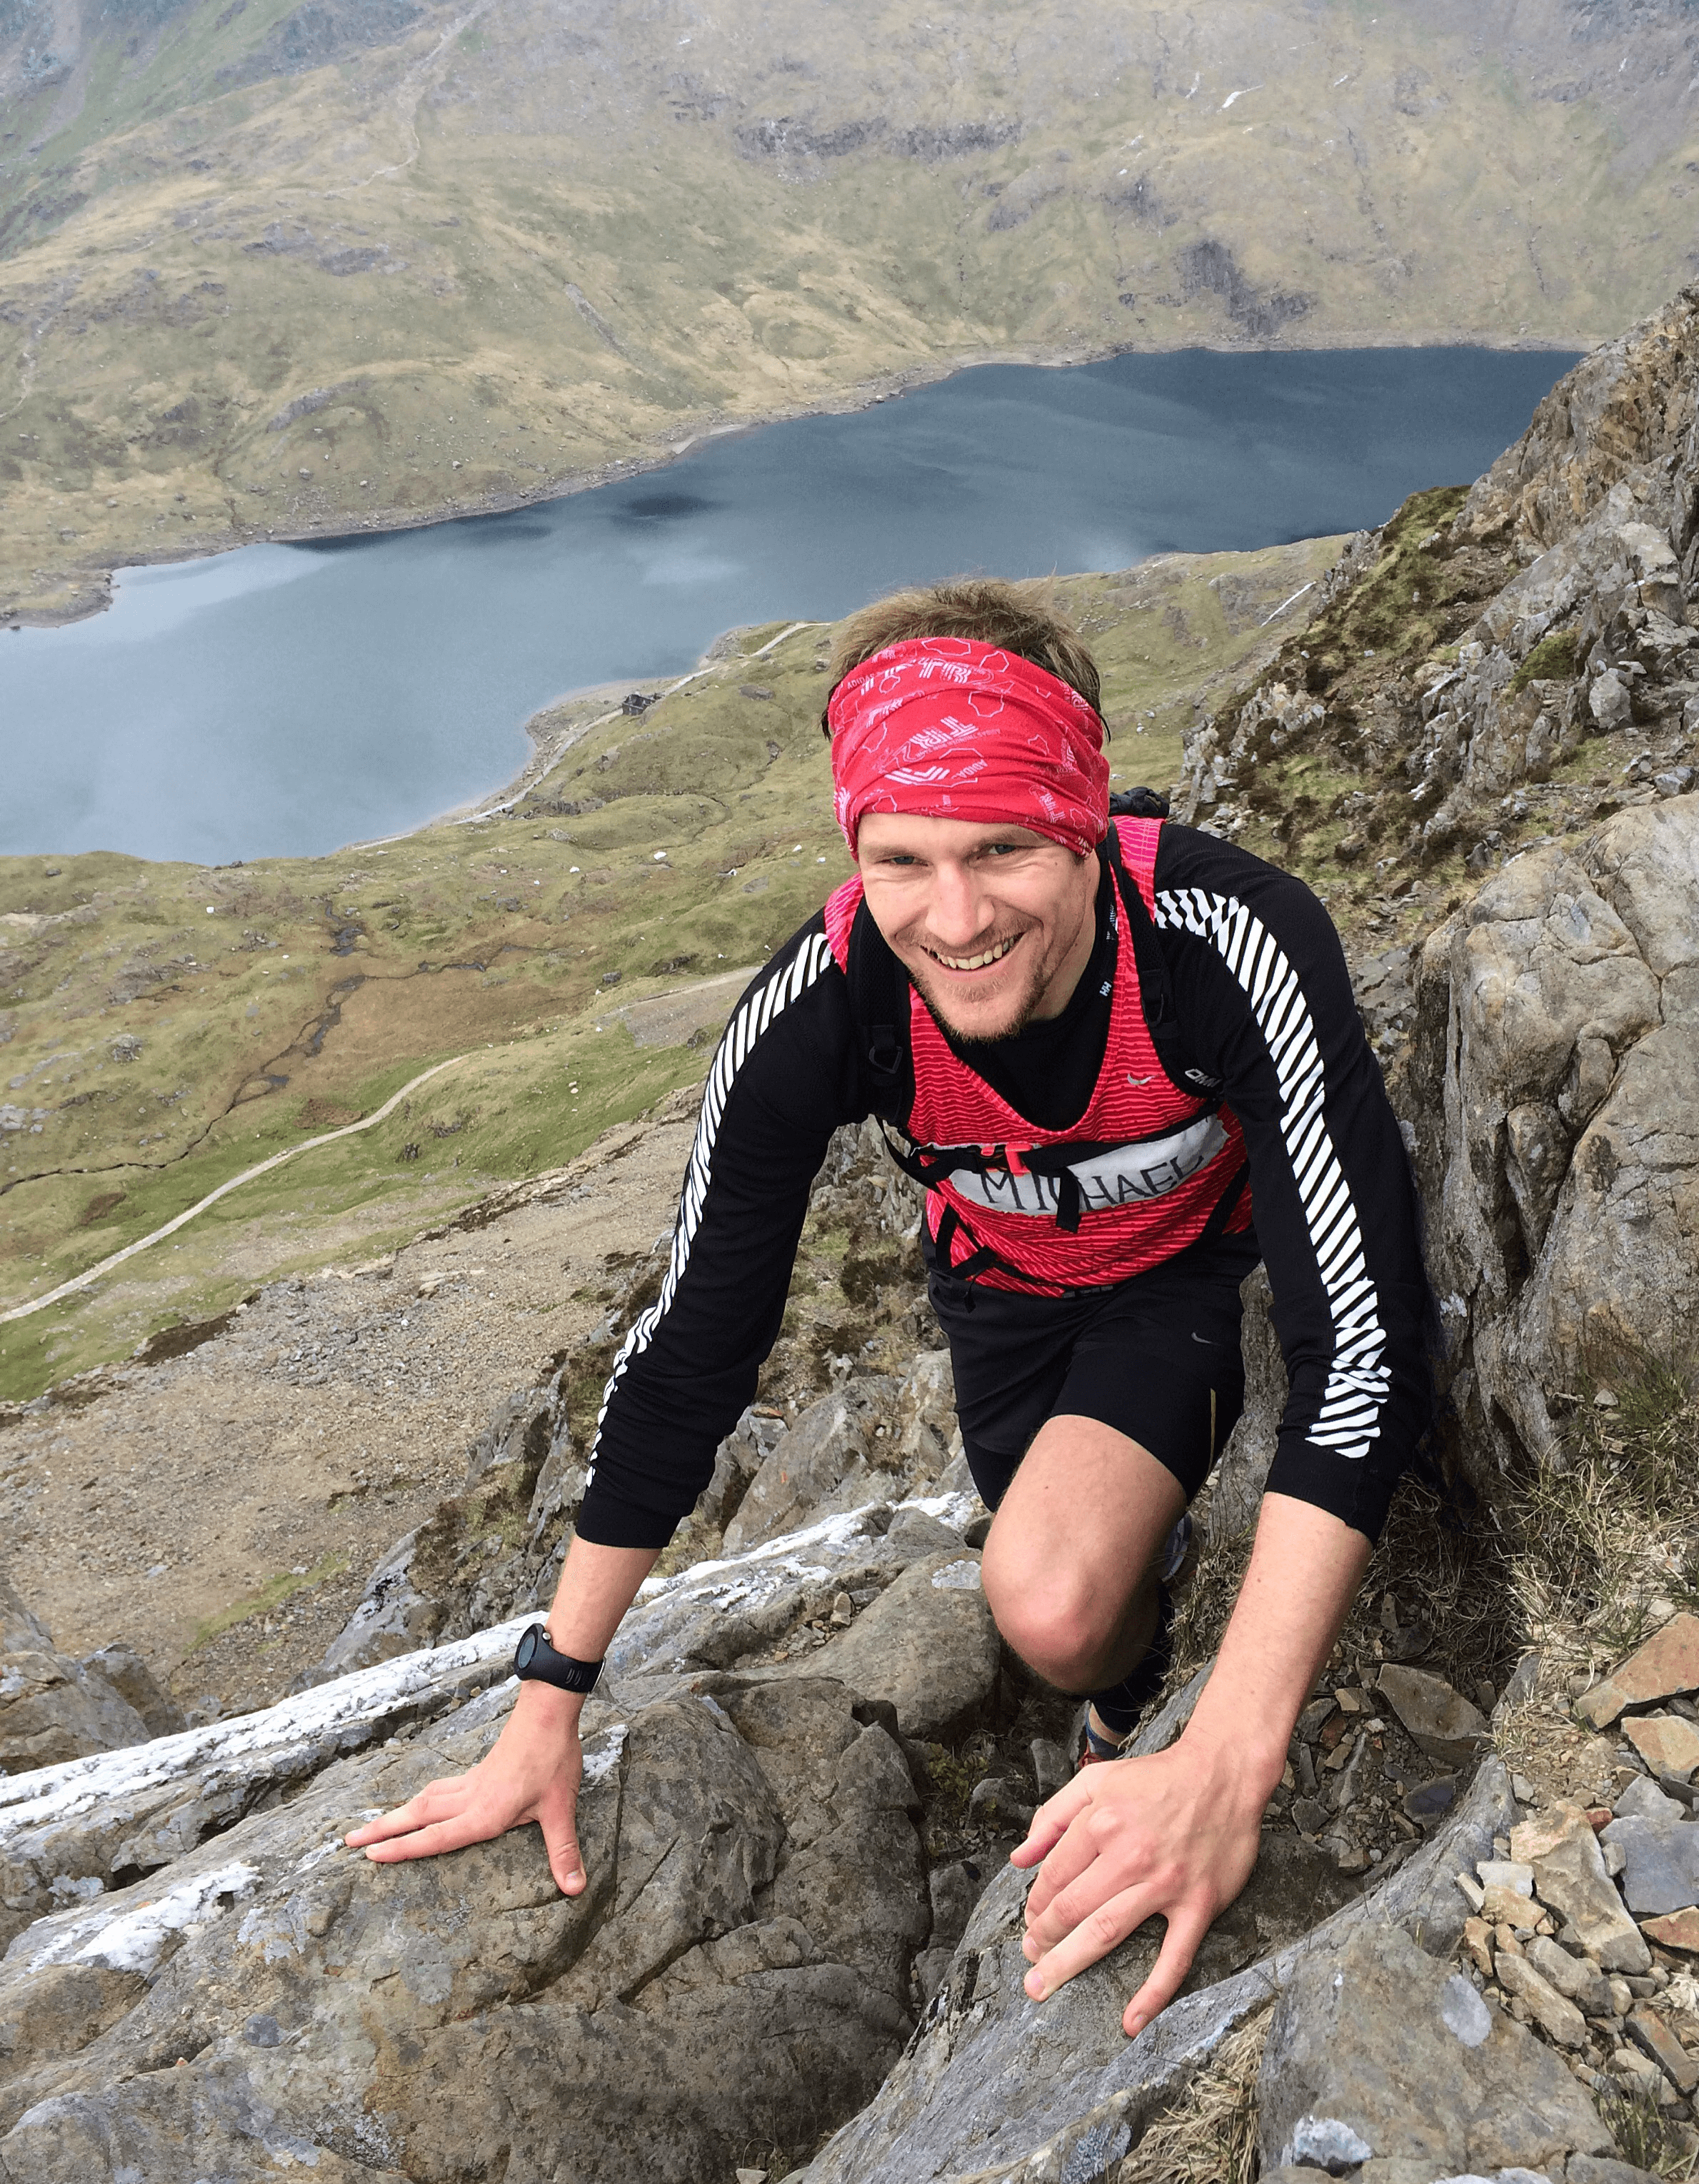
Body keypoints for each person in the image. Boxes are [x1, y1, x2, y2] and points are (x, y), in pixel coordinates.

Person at [347, 579, 1434, 2036]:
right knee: (1070, 1607)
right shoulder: (830, 1001)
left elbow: (1362, 1338)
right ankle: (1125, 1669)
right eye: (902, 858)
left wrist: (1228, 1765)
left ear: (1085, 821)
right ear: (856, 852)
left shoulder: (1221, 938)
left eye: (1004, 847)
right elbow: (691, 1350)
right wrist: (548, 1702)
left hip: (1195, 1277)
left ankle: (1140, 1703)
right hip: (1001, 1298)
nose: (958, 912)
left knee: (1046, 1601)